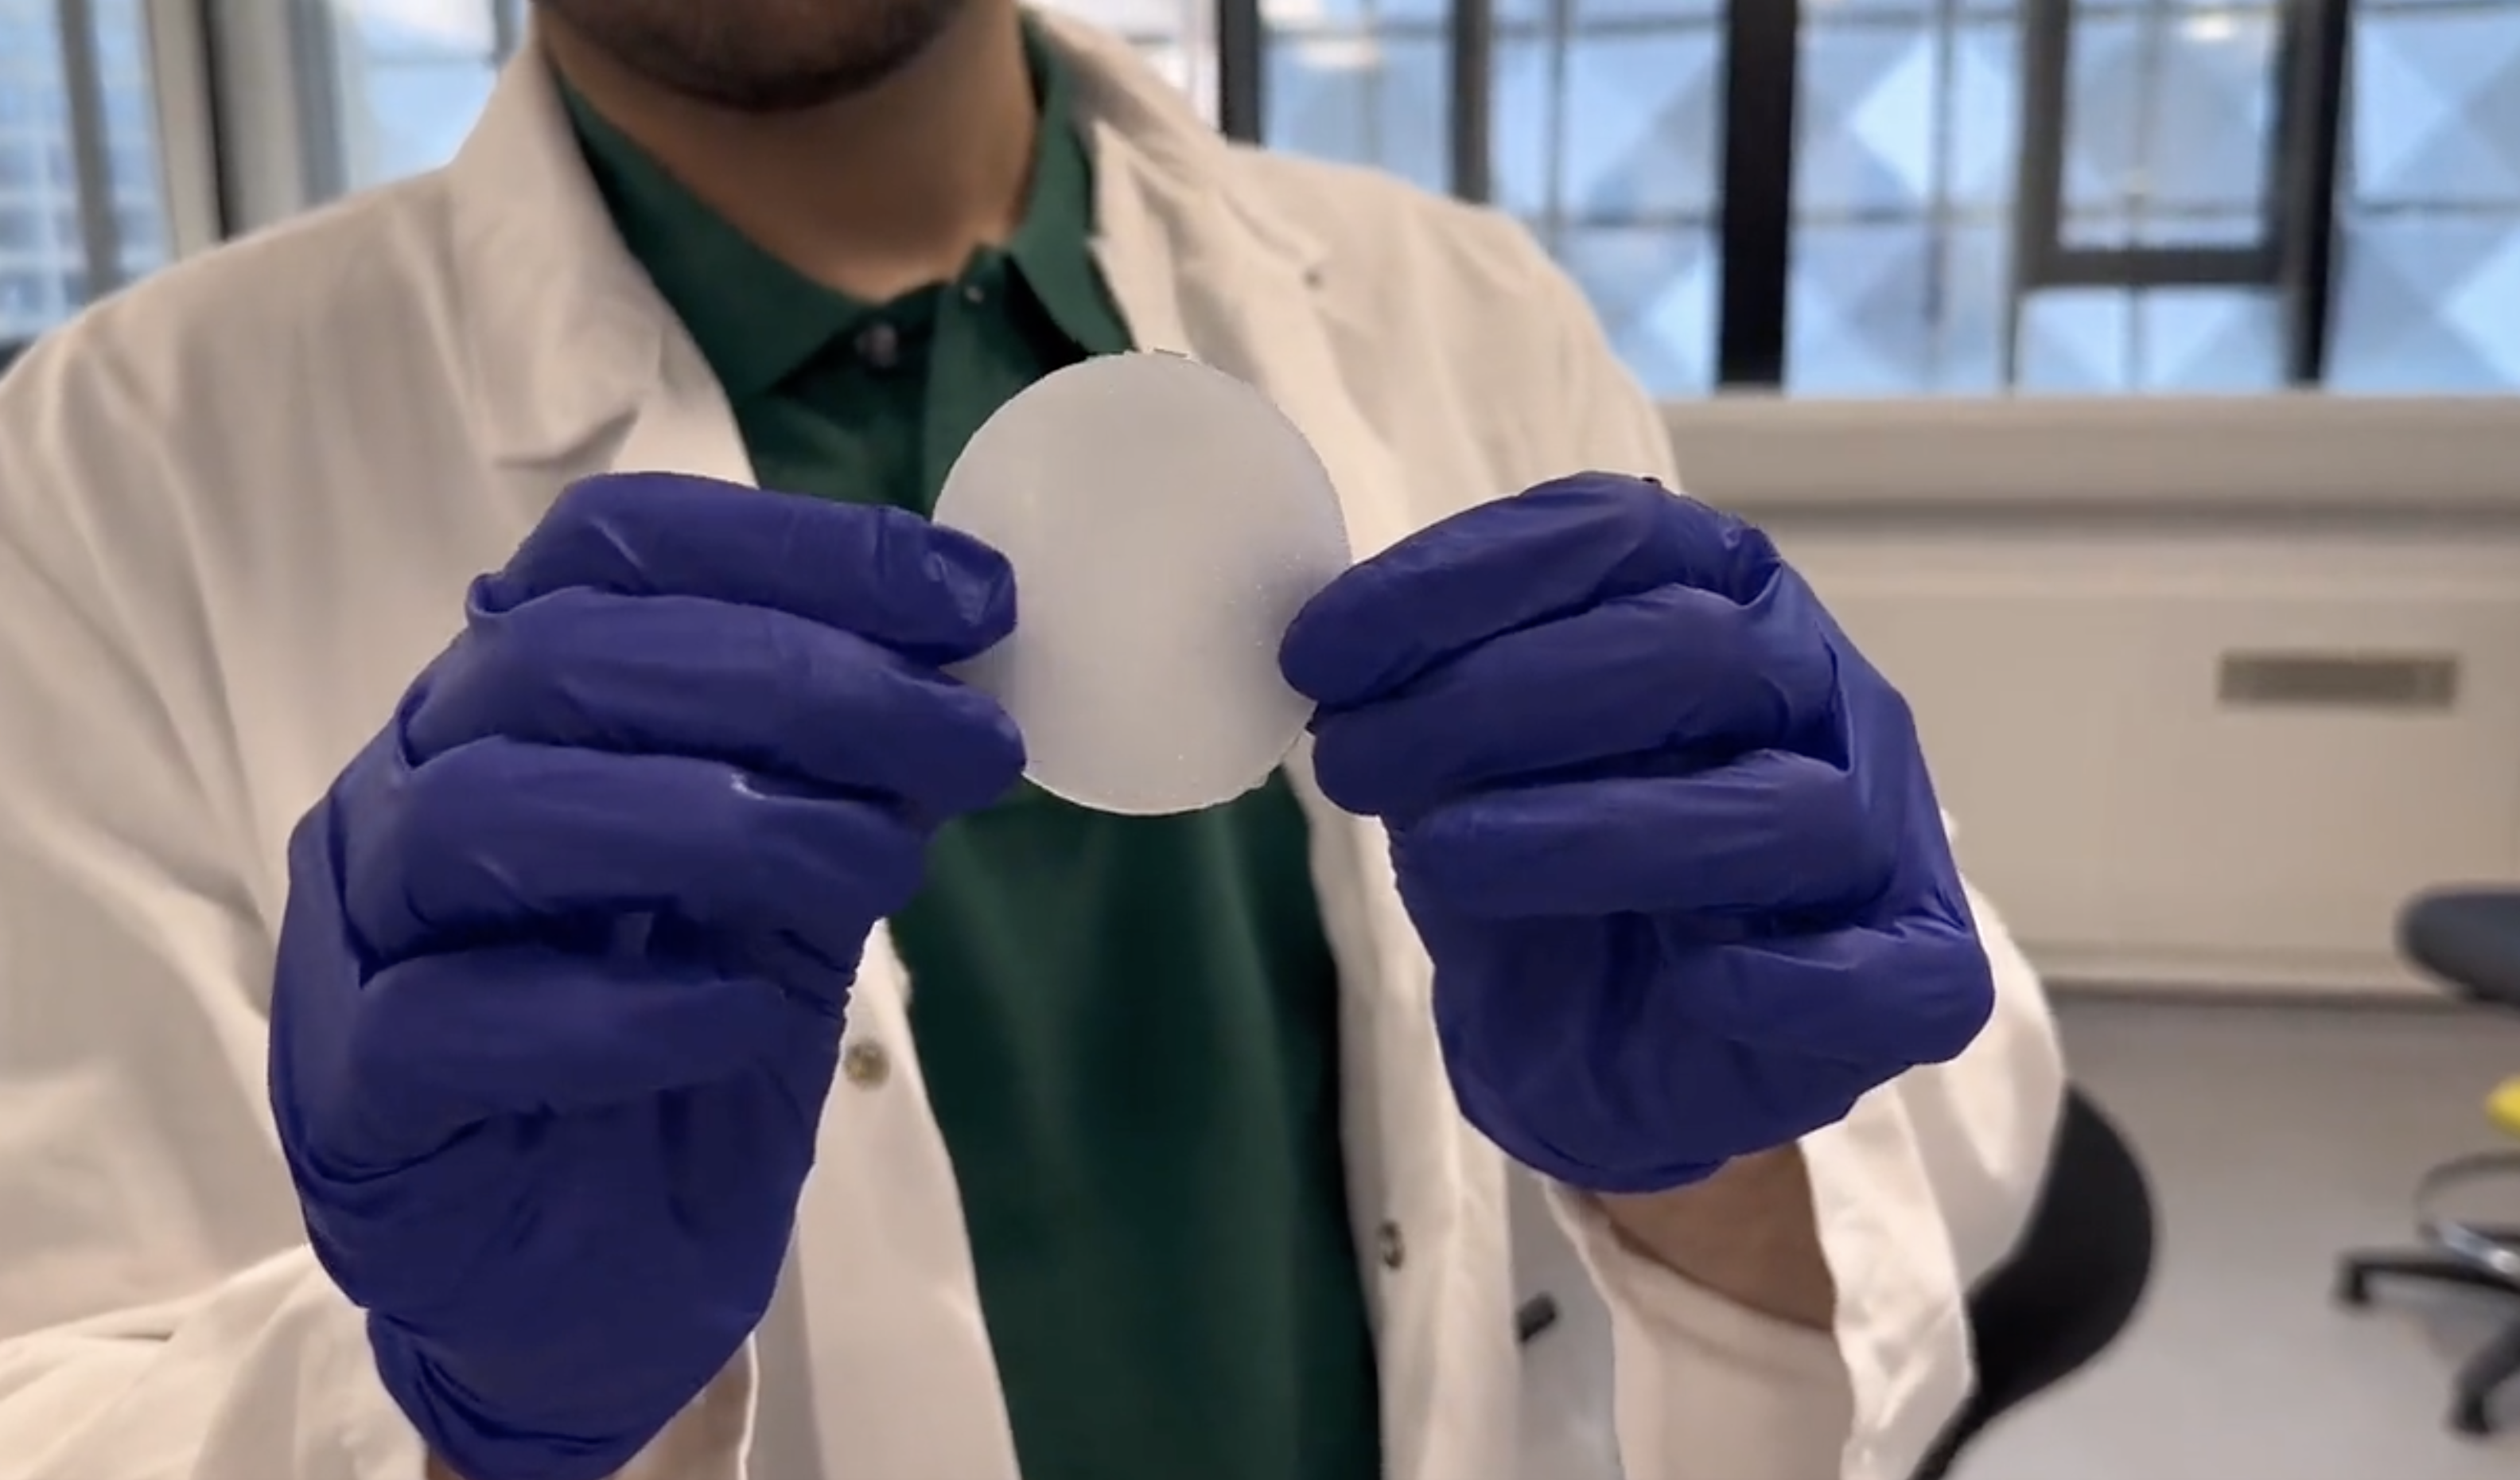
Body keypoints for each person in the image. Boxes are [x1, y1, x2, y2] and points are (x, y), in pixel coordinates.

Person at [0, 3, 2067, 1479]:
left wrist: (1721, 1174)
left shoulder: (1467, 311)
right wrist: (466, 1419)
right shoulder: (114, 466)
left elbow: (1910, 1146)